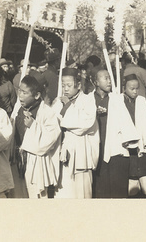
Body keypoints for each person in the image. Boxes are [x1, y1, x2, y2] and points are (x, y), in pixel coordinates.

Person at [88, 68, 139, 198]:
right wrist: (95, 114)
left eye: (109, 78)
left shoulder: (116, 99)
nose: (109, 81)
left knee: (118, 189)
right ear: (96, 82)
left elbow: (126, 122)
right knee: (100, 189)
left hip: (116, 149)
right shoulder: (88, 100)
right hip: (97, 150)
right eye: (105, 78)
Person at [54, 67, 99, 198]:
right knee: (64, 193)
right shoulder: (59, 101)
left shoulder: (88, 100)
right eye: (63, 85)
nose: (65, 89)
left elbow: (85, 123)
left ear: (78, 85)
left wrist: (68, 107)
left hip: (81, 154)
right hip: (64, 152)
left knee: (82, 192)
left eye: (68, 85)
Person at [15, 75, 61, 198]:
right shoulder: (19, 110)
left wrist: (33, 126)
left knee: (38, 197)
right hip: (21, 161)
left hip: (36, 162)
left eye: (25, 93)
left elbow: (52, 136)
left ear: (36, 95)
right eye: (19, 91)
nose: (20, 95)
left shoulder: (47, 112)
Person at [122, 74, 146, 198]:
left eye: (137, 88)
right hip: (129, 149)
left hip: (143, 148)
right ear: (124, 88)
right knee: (132, 185)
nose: (135, 91)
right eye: (132, 88)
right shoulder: (120, 102)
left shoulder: (141, 101)